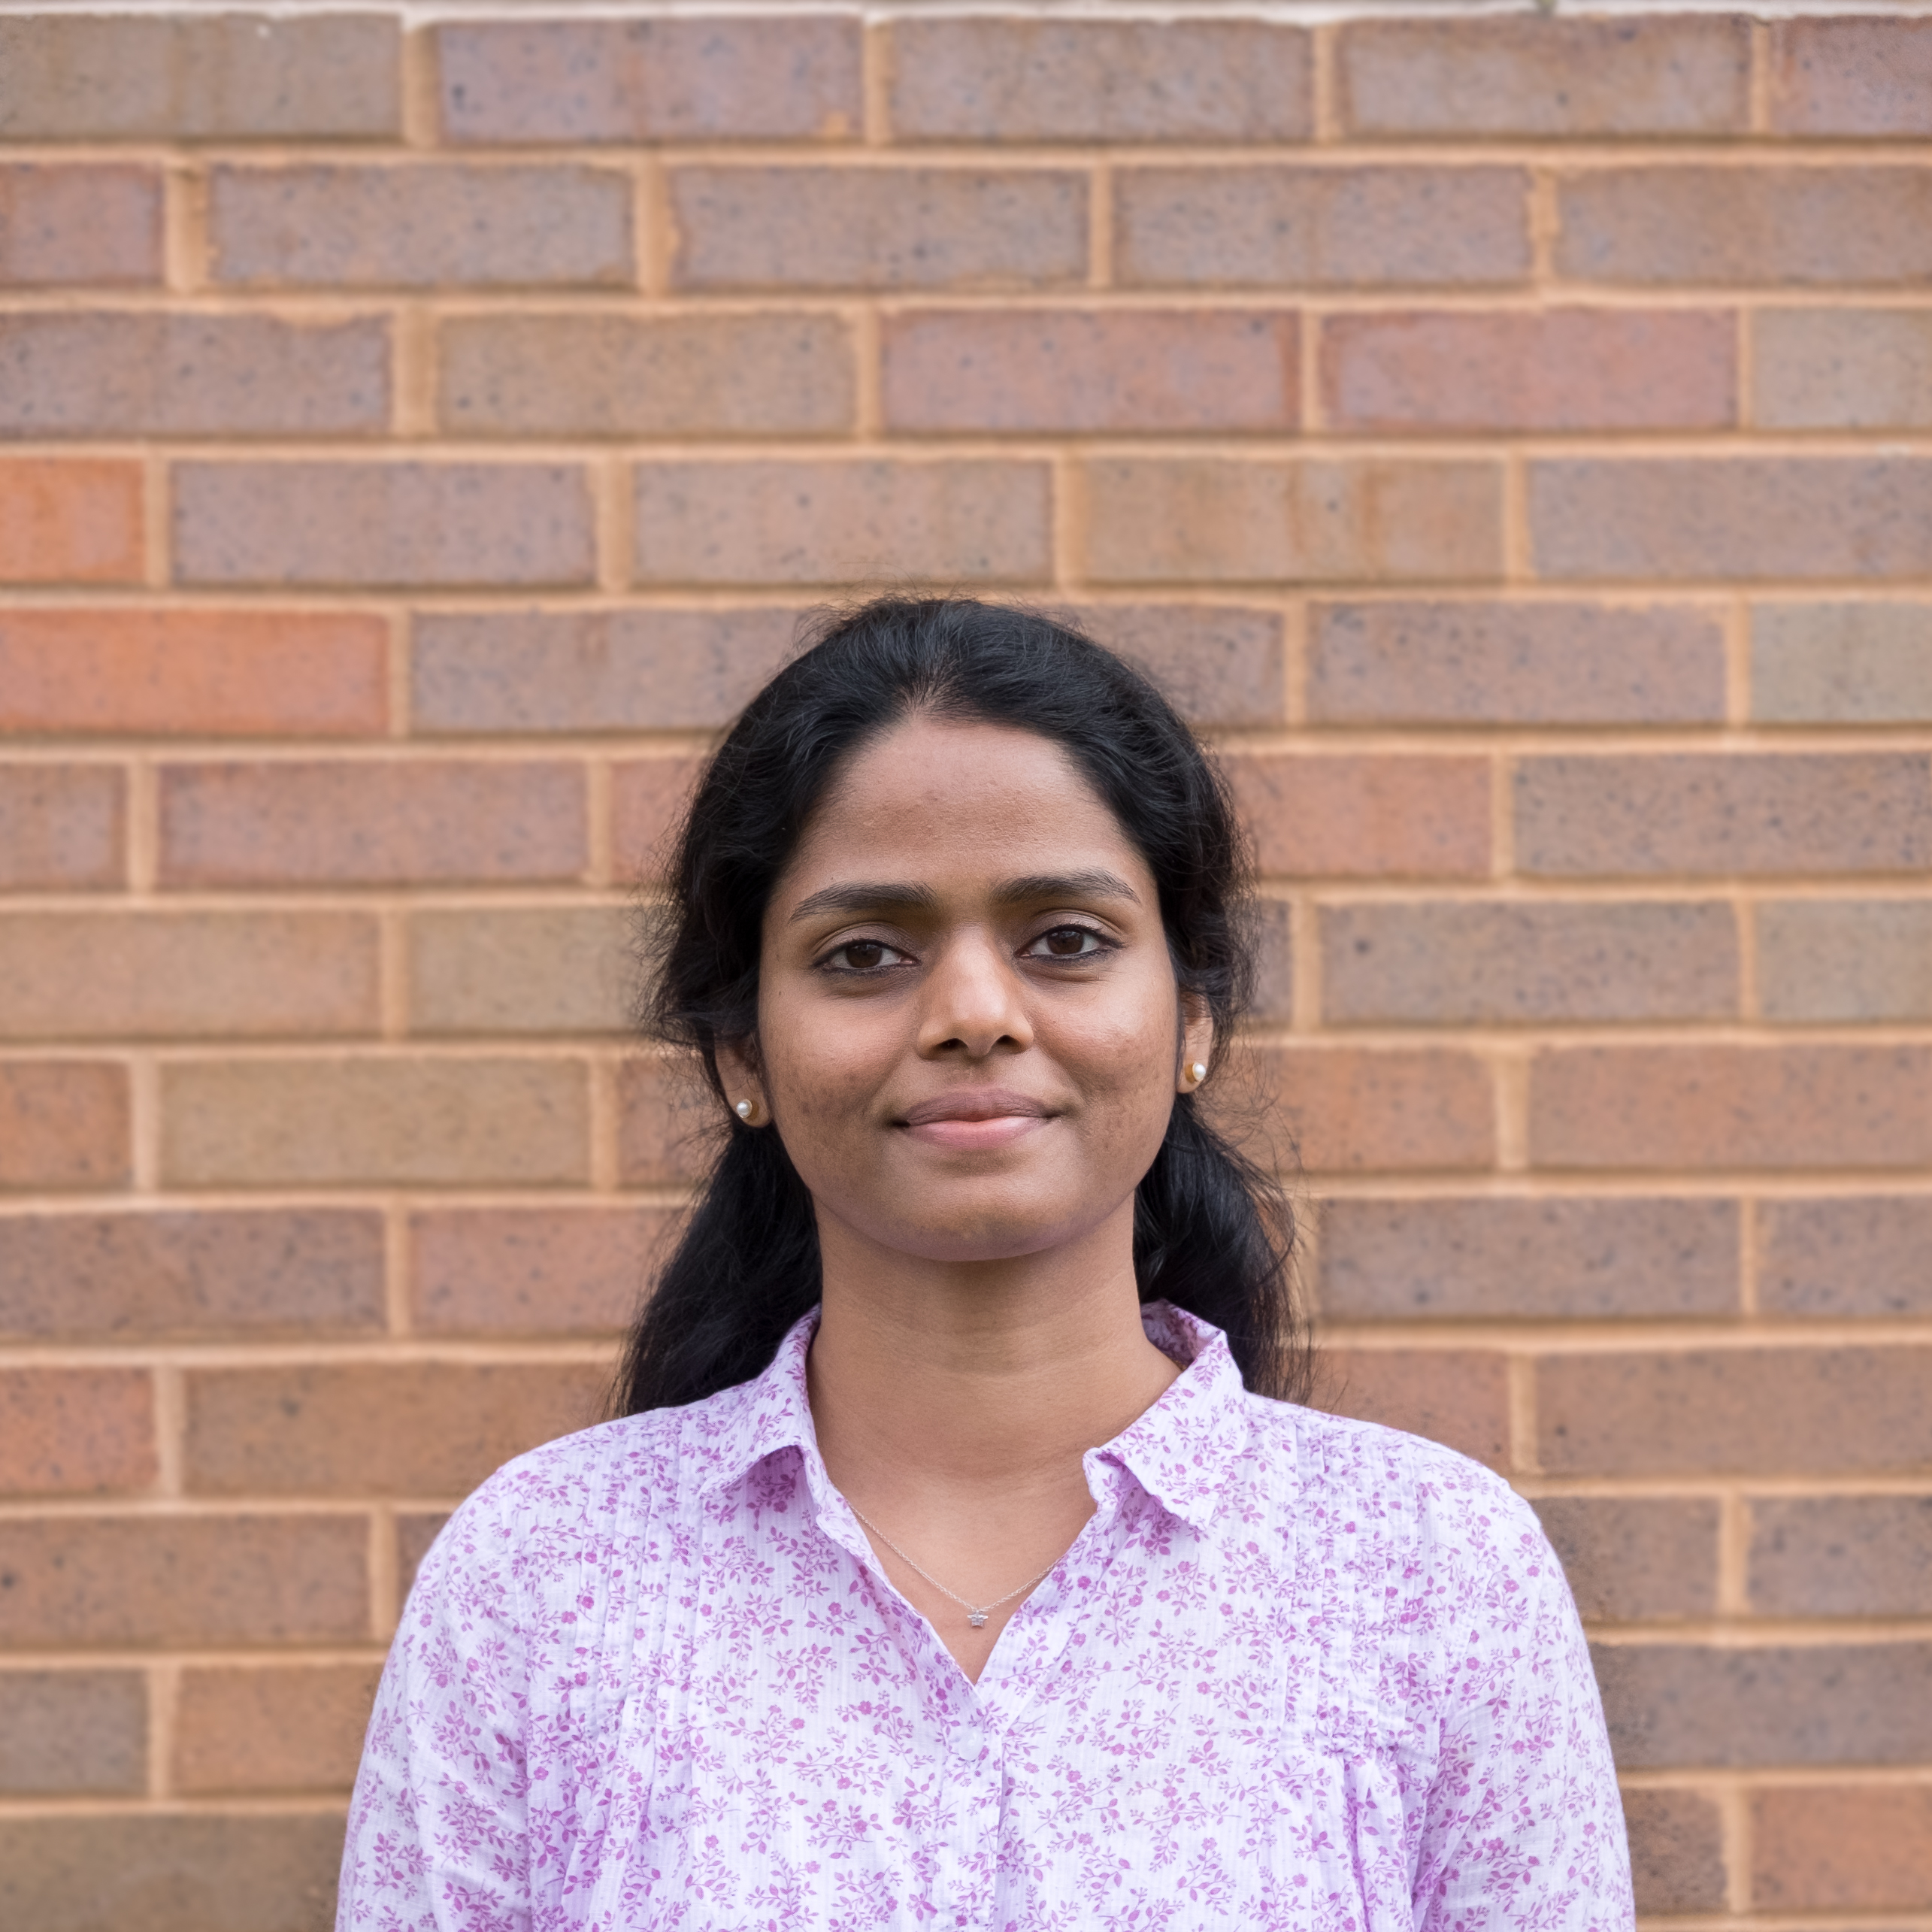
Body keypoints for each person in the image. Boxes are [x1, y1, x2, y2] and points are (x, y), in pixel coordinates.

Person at [338, 597, 1633, 1930]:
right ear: (742, 1057)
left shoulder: (1429, 1573)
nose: (969, 1013)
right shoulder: (545, 1573)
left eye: (1064, 939)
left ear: (1191, 1017)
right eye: (864, 955)